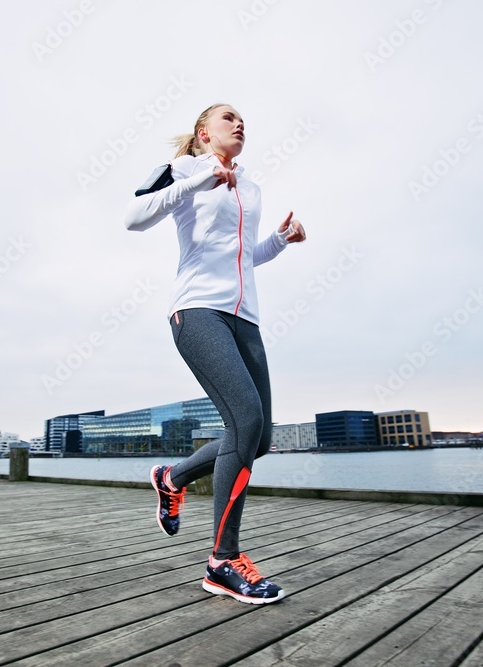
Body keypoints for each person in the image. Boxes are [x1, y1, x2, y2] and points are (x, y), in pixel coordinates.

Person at [123, 103, 306, 604]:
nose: (240, 122)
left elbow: (246, 256)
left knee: (259, 438)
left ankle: (171, 477)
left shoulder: (253, 188)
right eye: (228, 117)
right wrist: (198, 181)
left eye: (244, 118)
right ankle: (223, 561)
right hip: (198, 311)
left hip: (246, 320)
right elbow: (133, 217)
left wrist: (281, 241)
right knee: (244, 420)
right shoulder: (185, 168)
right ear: (205, 133)